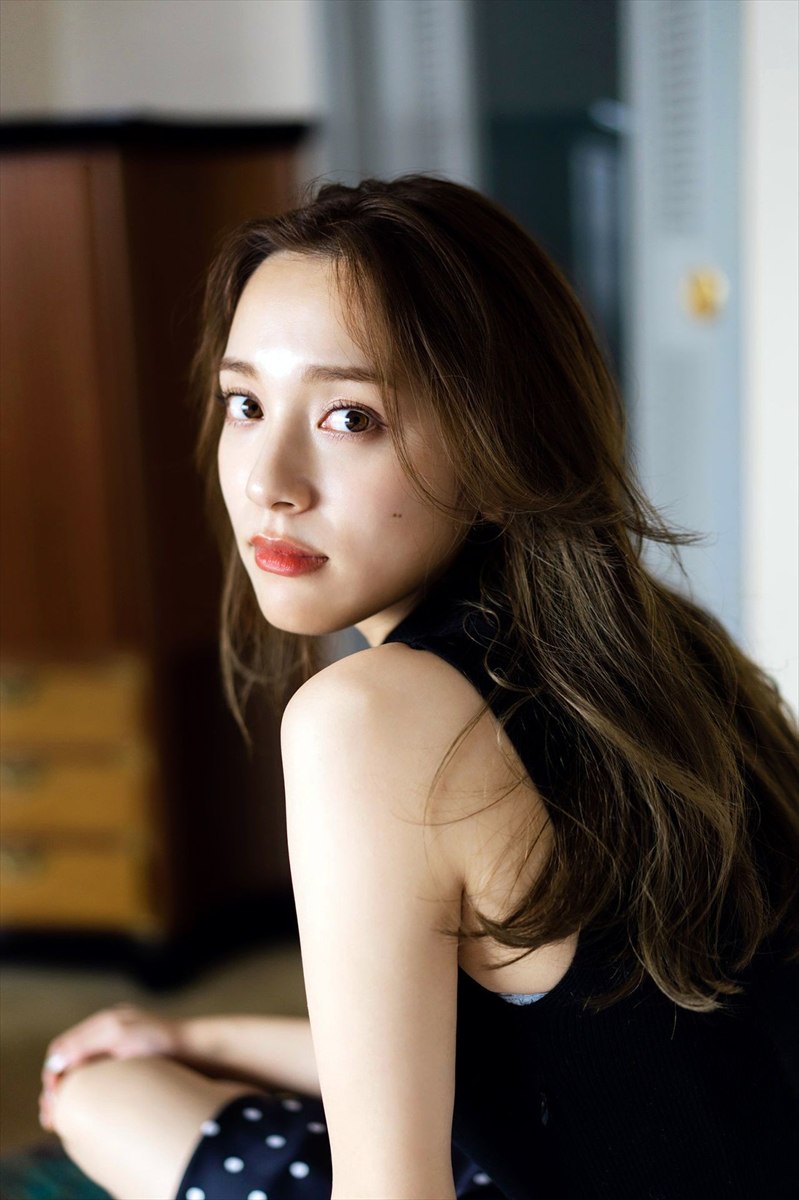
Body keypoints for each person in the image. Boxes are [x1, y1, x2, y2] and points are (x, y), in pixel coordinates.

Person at [39, 175, 798, 1200]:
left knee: (103, 1101)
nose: (268, 480)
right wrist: (202, 1037)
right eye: (245, 404)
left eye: (349, 417)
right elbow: (584, 1071)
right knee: (115, 1085)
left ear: (498, 451)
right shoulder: (656, 652)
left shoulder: (370, 720)